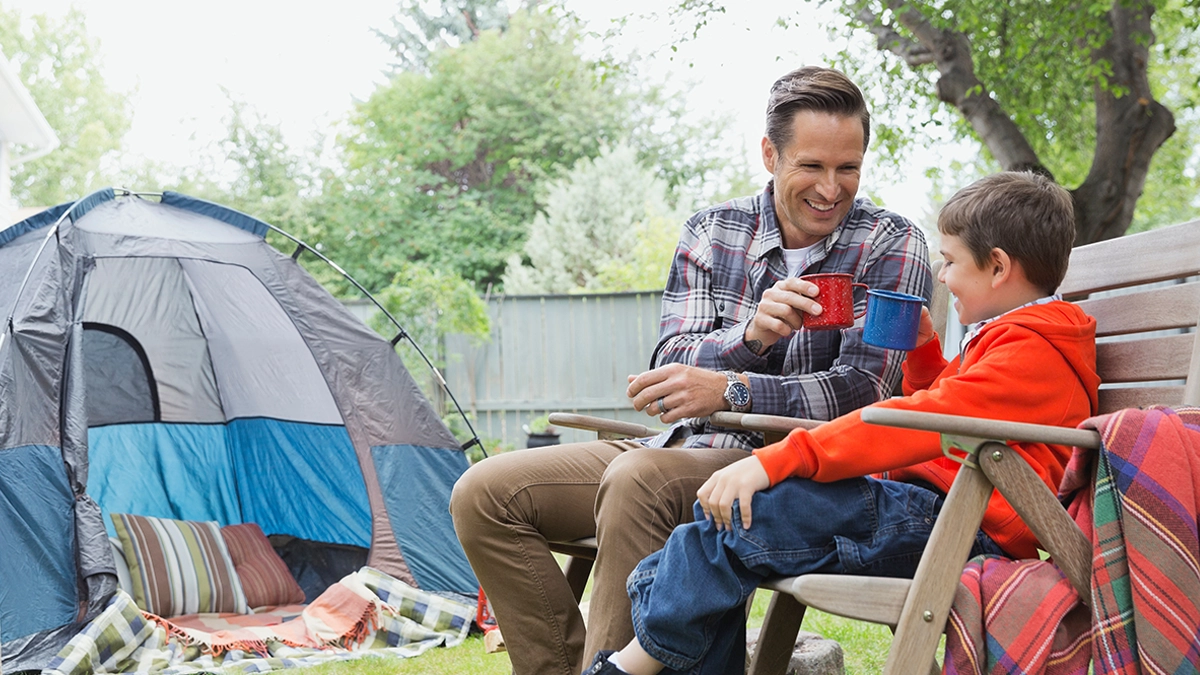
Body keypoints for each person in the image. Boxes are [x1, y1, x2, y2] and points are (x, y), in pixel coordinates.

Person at [450, 65, 932, 675]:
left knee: (638, 479)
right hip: (682, 444)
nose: (831, 189)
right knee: (485, 494)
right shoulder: (713, 231)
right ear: (770, 154)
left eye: (848, 168)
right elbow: (670, 365)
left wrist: (732, 387)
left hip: (790, 466)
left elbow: (863, 391)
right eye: (811, 166)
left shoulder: (892, 243)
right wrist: (751, 337)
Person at [581, 170, 1101, 675]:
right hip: (934, 512)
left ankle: (625, 668)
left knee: (741, 516)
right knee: (716, 528)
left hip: (960, 526)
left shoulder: (1029, 350)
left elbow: (916, 422)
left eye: (949, 262)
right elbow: (953, 406)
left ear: (998, 267)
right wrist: (922, 351)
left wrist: (776, 460)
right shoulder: (1019, 337)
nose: (941, 277)